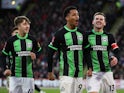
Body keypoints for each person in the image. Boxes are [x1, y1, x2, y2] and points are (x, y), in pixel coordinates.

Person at [47, 6, 90, 93]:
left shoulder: (82, 34)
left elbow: (87, 52)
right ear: (67, 18)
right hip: (66, 75)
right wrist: (50, 72)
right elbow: (50, 53)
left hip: (79, 75)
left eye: (78, 15)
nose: (77, 17)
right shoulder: (59, 34)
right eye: (74, 15)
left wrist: (90, 67)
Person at [2, 16, 42, 93]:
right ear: (18, 26)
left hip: (28, 76)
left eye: (28, 24)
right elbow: (3, 55)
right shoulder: (11, 41)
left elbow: (39, 50)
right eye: (25, 24)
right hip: (14, 77)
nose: (27, 26)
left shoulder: (32, 39)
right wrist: (6, 68)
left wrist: (35, 54)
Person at [85, 12, 120, 93]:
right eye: (97, 19)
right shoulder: (86, 36)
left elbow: (116, 49)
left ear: (104, 23)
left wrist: (116, 57)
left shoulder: (109, 36)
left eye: (101, 19)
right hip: (93, 72)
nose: (99, 20)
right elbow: (84, 53)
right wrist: (89, 67)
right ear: (93, 22)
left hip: (107, 71)